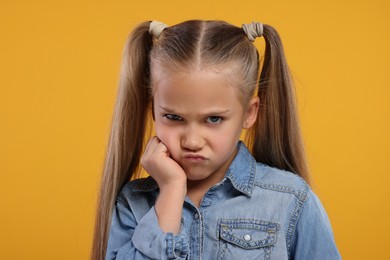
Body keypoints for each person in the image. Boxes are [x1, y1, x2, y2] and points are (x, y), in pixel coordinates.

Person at [91, 20, 341, 260]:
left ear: (249, 113)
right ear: (153, 110)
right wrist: (171, 190)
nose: (191, 140)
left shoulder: (291, 200)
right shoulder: (133, 203)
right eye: (173, 117)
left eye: (213, 119)